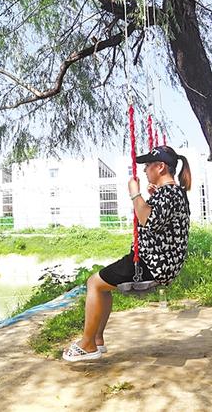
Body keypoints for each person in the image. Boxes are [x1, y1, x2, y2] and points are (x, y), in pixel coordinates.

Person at [63, 146, 192, 362]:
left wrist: (135, 192)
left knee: (94, 283)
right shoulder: (172, 193)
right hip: (159, 261)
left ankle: (88, 344)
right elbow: (159, 220)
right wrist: (151, 197)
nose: (144, 170)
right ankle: (97, 339)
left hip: (151, 264)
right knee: (102, 285)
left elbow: (147, 219)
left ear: (160, 167)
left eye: (148, 165)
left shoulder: (169, 193)